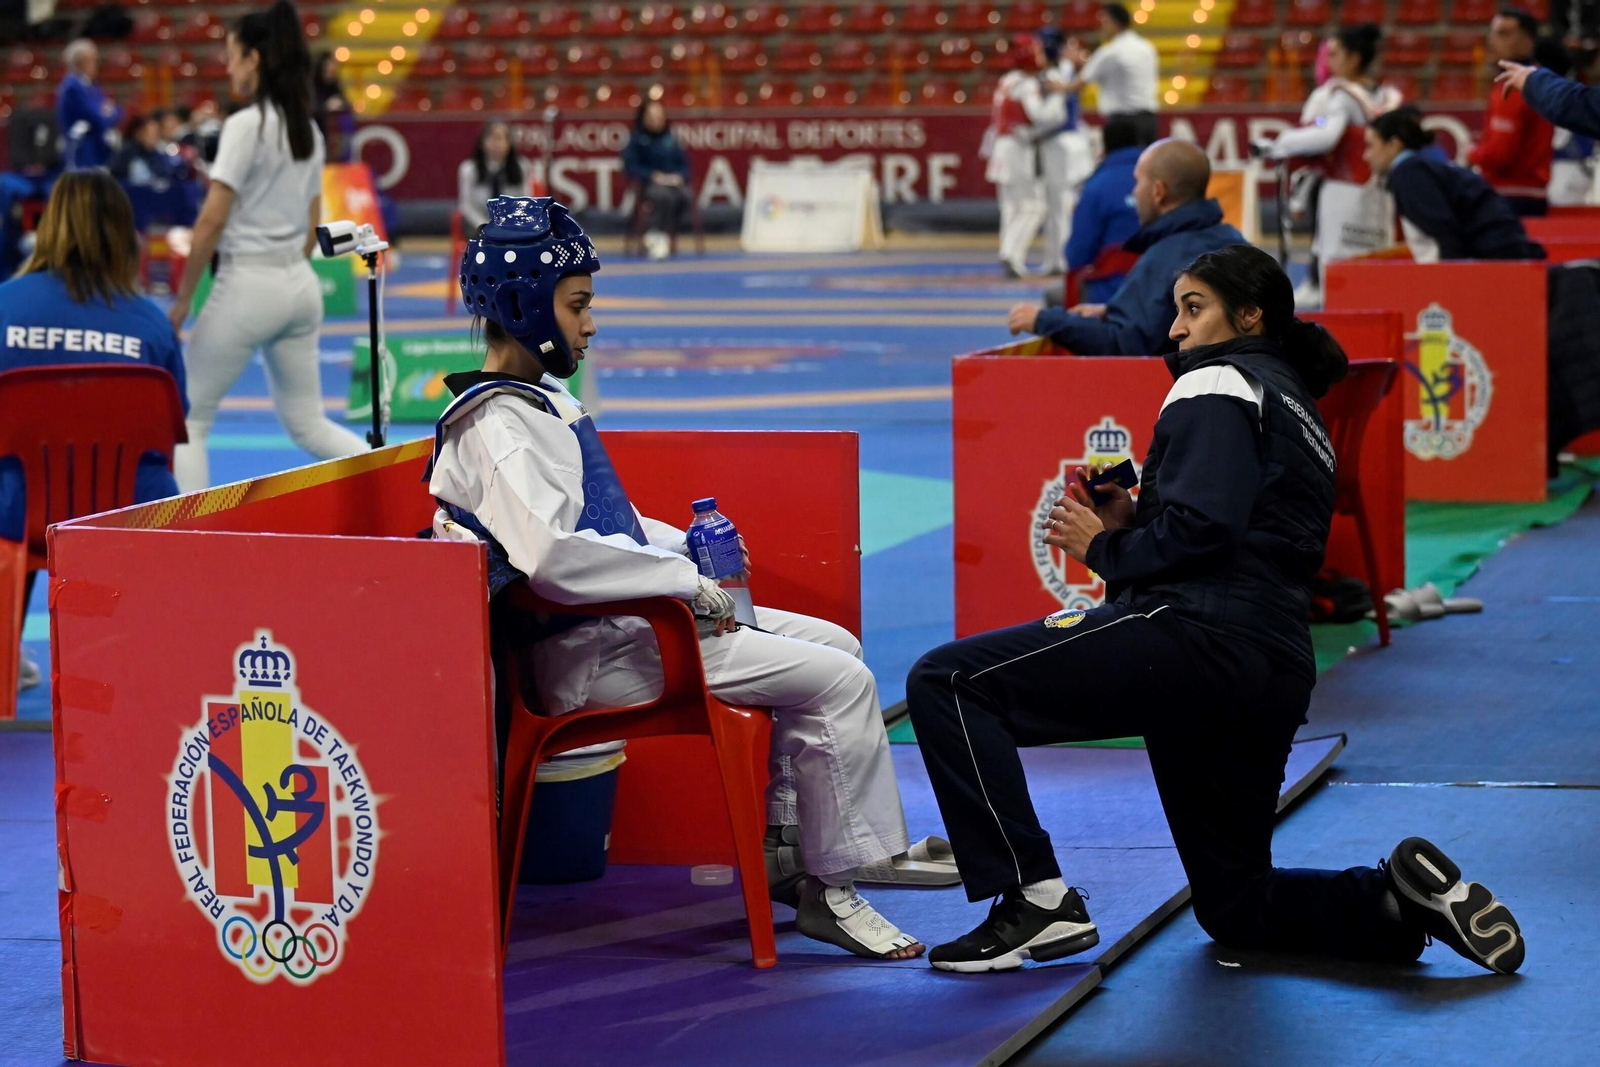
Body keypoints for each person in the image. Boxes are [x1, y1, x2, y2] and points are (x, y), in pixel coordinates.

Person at [906, 242, 1525, 977]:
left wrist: (1105, 546)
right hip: (1274, 668)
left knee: (947, 681)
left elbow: (1205, 529)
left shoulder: (1218, 379)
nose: (1175, 330)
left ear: (1249, 314)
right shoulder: (1299, 408)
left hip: (1196, 638)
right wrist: (1135, 520)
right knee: (1234, 901)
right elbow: (1236, 525)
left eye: (1192, 308)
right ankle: (1391, 902)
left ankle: (1032, 900)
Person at [428, 195, 960, 960]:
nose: (591, 323)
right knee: (841, 682)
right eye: (577, 306)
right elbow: (552, 555)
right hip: (596, 657)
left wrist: (681, 546)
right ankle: (834, 884)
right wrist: (679, 580)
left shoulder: (540, 404)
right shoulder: (497, 429)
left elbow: (605, 525)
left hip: (627, 628)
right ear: (524, 307)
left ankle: (791, 852)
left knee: (837, 643)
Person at [0, 171, 187, 691]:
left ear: (49, 229)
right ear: (123, 234)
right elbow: (172, 427)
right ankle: (146, 660)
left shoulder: (3, 308)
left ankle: (3, 655)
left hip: (19, 510)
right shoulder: (151, 325)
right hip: (124, 508)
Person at [168, 0, 365, 492]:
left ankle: (194, 553)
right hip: (299, 289)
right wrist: (281, 271)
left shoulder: (245, 127)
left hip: (248, 286)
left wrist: (182, 300)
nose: (228, 67)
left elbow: (212, 219)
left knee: (187, 421)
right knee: (309, 426)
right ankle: (401, 487)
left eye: (232, 55)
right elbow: (311, 224)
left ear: (254, 59)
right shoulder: (309, 130)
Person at [1007, 139, 1244, 356]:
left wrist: (1044, 320)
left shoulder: (1164, 258)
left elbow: (1123, 343)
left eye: (1138, 182)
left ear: (1158, 192)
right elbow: (1163, 317)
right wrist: (1112, 312)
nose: (1134, 191)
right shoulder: (1235, 242)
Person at [1254, 23, 1402, 306]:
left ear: (1353, 58)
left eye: (1334, 54)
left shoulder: (1343, 95)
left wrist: (1280, 144)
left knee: (1338, 265)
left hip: (1344, 194)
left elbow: (1327, 136)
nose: (1327, 61)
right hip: (1381, 192)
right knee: (1376, 263)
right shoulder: (1389, 98)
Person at [1365, 106, 1545, 261]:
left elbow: (1444, 231)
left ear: (1393, 144)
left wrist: (1452, 282)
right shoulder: (1419, 167)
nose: (1366, 156)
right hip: (1503, 246)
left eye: (1371, 145)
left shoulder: (1408, 173)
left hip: (1495, 253)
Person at [1471, 9, 1555, 216]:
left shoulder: (1513, 89)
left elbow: (1501, 154)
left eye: (1504, 33)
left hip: (1510, 196)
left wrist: (1472, 154)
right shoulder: (1544, 81)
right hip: (1532, 195)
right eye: (1493, 33)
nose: (1492, 41)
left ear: (1527, 40)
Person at [1063, 113, 1145, 304]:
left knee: (1054, 298)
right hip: (1169, 294)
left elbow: (1077, 255)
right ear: (1140, 143)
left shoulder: (1096, 187)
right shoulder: (1165, 178)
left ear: (1104, 147)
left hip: (1112, 295)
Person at [1064, 4, 1160, 146]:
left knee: (1122, 166)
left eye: (1104, 21)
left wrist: (1051, 82)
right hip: (1150, 120)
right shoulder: (1147, 47)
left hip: (1123, 124)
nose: (1102, 26)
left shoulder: (1111, 52)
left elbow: (1076, 84)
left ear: (1114, 22)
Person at [621, 100, 693, 261]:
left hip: (672, 183)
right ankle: (656, 234)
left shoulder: (671, 139)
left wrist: (679, 176)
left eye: (659, 116)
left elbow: (684, 165)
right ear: (644, 118)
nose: (656, 120)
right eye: (652, 116)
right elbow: (630, 167)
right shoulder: (637, 140)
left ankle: (666, 233)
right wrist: (652, 175)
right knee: (663, 196)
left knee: (684, 195)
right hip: (648, 184)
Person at [457, 120, 534, 236]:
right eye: (491, 138)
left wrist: (510, 225)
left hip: (513, 224)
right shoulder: (469, 169)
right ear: (482, 142)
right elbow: (466, 206)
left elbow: (526, 201)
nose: (496, 143)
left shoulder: (521, 167)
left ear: (509, 143)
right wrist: (485, 226)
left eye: (500, 138)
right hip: (478, 226)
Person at [56, 38, 120, 171]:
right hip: (82, 152)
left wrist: (108, 114)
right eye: (92, 60)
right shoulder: (72, 88)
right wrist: (106, 114)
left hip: (98, 150)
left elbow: (117, 111)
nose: (96, 64)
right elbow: (96, 118)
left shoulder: (92, 86)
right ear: (79, 62)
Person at [312, 52, 355, 164]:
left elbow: (347, 105)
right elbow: (311, 109)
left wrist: (341, 104)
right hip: (318, 133)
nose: (331, 69)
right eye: (328, 66)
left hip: (335, 136)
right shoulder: (312, 87)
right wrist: (325, 107)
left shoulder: (335, 86)